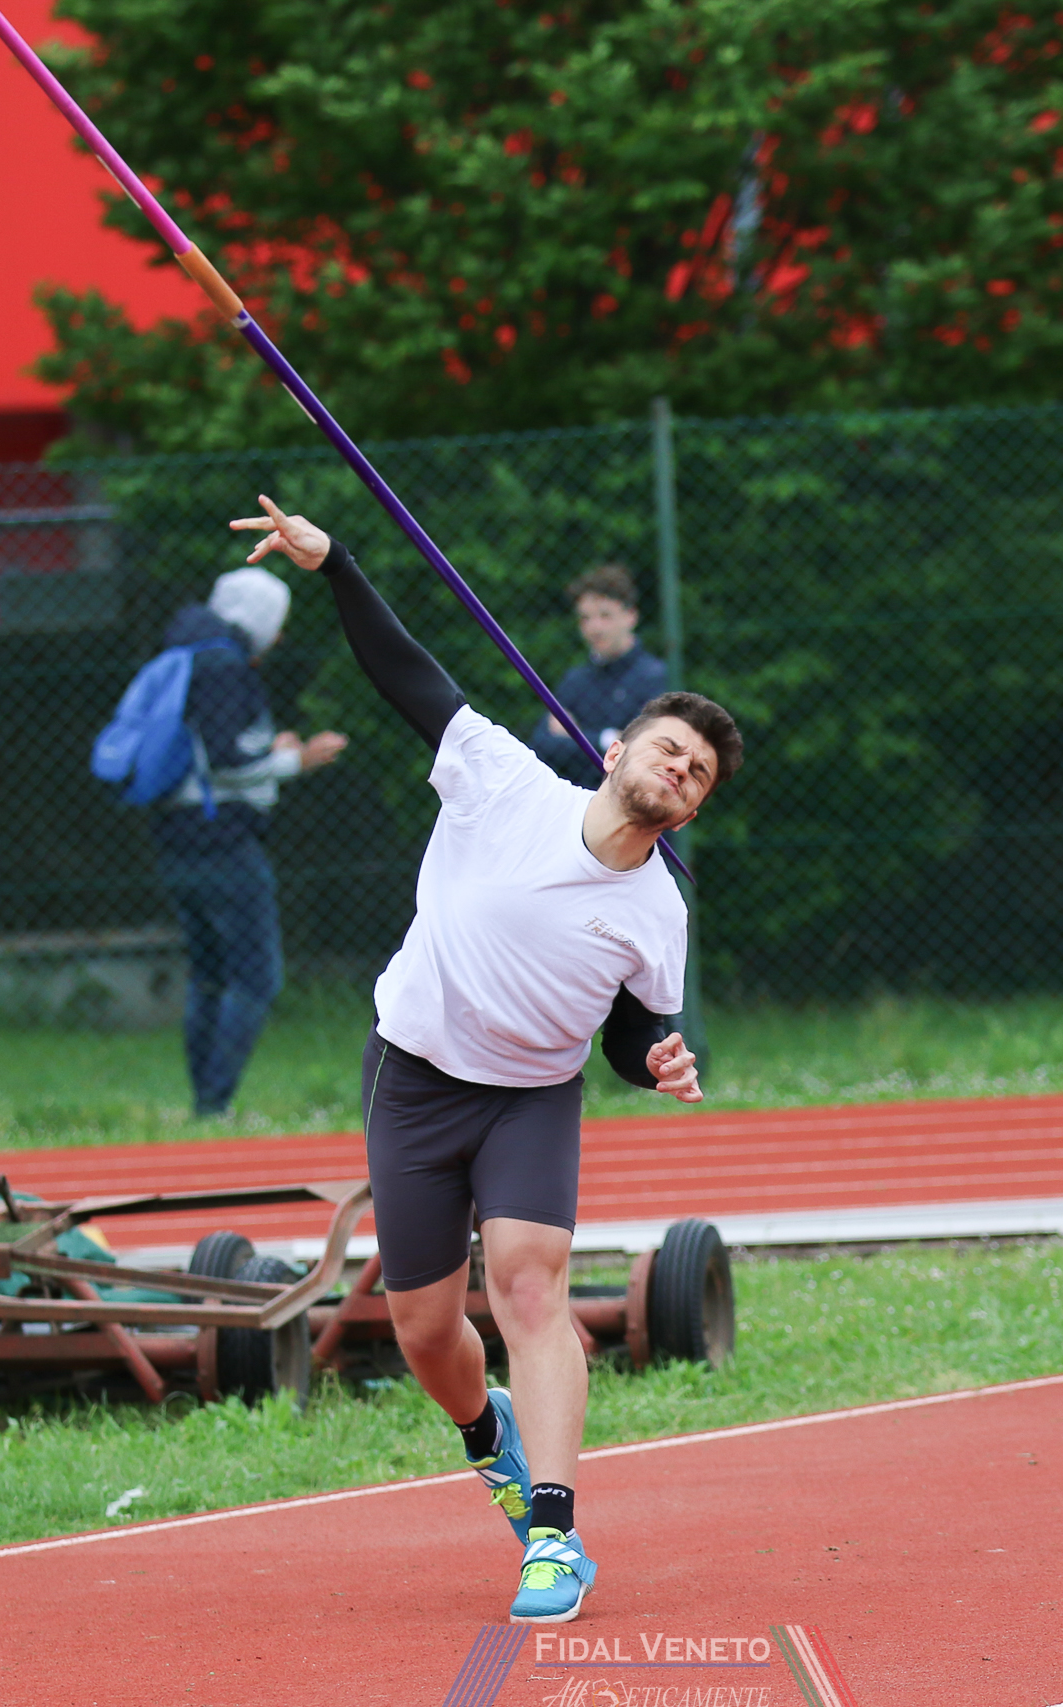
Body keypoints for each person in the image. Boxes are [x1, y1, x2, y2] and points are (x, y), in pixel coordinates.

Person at [232, 494, 737, 1624]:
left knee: (528, 1285)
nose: (681, 769)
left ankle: (552, 1535)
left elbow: (625, 1031)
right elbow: (406, 672)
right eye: (670, 747)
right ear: (617, 750)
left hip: (530, 1099)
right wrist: (335, 562)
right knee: (423, 1327)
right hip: (413, 1072)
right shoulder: (502, 777)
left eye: (700, 772)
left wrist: (653, 1059)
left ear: (692, 810)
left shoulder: (659, 910)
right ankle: (484, 1433)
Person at [150, 567, 347, 1117]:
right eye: (275, 623)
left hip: (177, 836)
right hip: (221, 839)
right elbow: (228, 763)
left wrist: (269, 752)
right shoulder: (224, 665)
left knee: (210, 975)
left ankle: (205, 1104)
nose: (279, 636)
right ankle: (214, 1103)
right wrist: (296, 760)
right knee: (256, 977)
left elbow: (218, 750)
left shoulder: (188, 655)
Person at [528, 562, 671, 780]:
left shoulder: (654, 677)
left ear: (631, 616)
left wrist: (573, 738)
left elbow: (639, 753)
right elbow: (541, 746)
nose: (594, 628)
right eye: (585, 618)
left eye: (605, 615)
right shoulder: (574, 680)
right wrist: (608, 739)